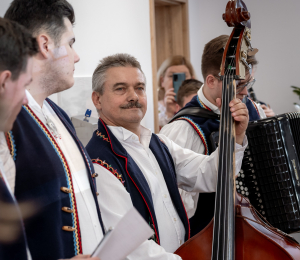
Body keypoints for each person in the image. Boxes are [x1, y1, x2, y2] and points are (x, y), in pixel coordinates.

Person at [86, 53, 249, 259]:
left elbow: (210, 174)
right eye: (120, 88)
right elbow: (133, 247)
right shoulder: (99, 163)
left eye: (139, 88)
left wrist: (235, 137)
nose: (133, 96)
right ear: (97, 99)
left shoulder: (158, 143)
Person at [4, 1, 105, 259]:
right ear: (46, 45)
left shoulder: (57, 113)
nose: (77, 55)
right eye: (70, 43)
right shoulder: (8, 121)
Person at [160, 34, 266, 237]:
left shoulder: (253, 109)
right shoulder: (183, 129)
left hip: (257, 234)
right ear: (211, 81)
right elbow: (178, 211)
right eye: (240, 84)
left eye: (249, 84)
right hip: (207, 241)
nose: (245, 93)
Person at [157, 55, 196, 128]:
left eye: (183, 76)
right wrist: (168, 114)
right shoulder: (155, 110)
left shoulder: (198, 106)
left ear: (192, 80)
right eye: (172, 76)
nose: (179, 82)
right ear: (162, 81)